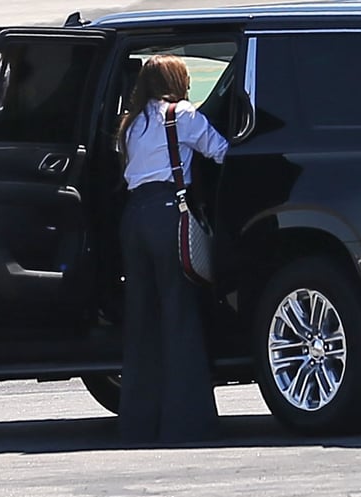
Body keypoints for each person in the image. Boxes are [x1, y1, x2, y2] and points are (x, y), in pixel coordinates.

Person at [117, 54, 229, 444]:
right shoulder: (181, 115)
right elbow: (221, 151)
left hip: (133, 219)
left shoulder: (130, 125)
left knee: (142, 321)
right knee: (179, 315)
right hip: (169, 215)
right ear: (175, 81)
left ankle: (137, 422)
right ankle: (187, 422)